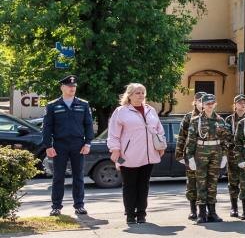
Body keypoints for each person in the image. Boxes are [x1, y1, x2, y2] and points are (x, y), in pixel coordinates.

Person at [106, 83, 165, 225]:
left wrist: (161, 145)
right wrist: (115, 150)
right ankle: (130, 215)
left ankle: (142, 214)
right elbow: (113, 134)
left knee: (144, 186)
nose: (141, 95)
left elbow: (159, 130)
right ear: (130, 95)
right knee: (129, 185)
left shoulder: (150, 110)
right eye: (137, 93)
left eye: (143, 92)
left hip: (149, 155)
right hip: (128, 156)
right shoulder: (121, 111)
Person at [42, 75, 94, 217]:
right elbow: (47, 127)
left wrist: (88, 143)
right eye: (70, 86)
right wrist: (48, 146)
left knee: (78, 176)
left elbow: (88, 125)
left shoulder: (83, 104)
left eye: (74, 86)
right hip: (60, 145)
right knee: (58, 176)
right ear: (62, 88)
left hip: (78, 144)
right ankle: (56, 207)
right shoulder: (52, 105)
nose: (72, 88)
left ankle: (79, 206)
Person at [185, 94, 232, 223]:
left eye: (212, 103)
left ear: (215, 104)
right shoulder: (196, 120)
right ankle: (201, 213)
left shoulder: (220, 120)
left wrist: (224, 155)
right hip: (201, 153)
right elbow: (191, 140)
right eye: (207, 103)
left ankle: (212, 212)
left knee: (212, 183)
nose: (210, 105)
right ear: (202, 105)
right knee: (201, 183)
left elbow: (225, 139)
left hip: (216, 153)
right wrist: (190, 157)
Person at [175, 91, 205, 220]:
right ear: (195, 102)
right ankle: (193, 210)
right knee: (192, 183)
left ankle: (206, 210)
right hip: (191, 155)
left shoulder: (211, 116)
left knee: (206, 183)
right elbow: (181, 136)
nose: (202, 104)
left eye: (204, 101)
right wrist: (179, 155)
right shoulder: (189, 117)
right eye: (200, 101)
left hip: (207, 155)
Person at [224, 94, 245, 218]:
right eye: (240, 103)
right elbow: (226, 136)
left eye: (244, 103)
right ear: (235, 105)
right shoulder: (229, 120)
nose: (243, 105)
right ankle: (234, 207)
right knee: (233, 182)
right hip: (233, 154)